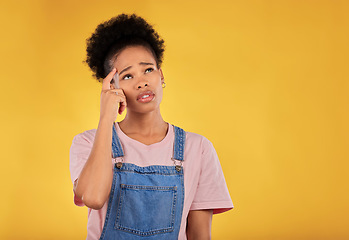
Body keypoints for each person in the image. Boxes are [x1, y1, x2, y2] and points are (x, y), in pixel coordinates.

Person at [69, 13, 233, 240]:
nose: (142, 81)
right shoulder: (87, 143)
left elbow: (199, 234)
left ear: (161, 75)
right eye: (127, 76)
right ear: (111, 87)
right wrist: (105, 119)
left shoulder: (198, 148)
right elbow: (94, 198)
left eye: (148, 70)